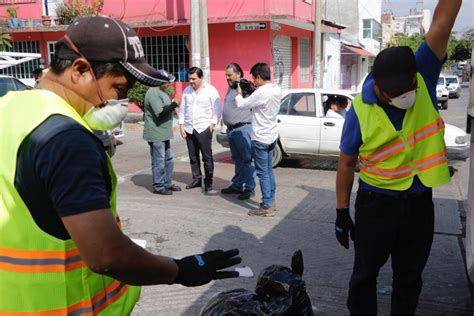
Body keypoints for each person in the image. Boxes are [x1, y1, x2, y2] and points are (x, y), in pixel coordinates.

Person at [0, 16, 241, 314]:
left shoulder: (10, 108)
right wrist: (180, 270)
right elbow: (106, 255)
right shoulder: (67, 140)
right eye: (118, 88)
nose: (120, 101)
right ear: (79, 70)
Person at [335, 1, 462, 314]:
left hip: (418, 205)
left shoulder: (424, 76)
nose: (402, 96)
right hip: (375, 205)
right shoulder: (360, 110)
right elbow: (347, 163)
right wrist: (341, 212)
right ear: (377, 87)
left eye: (406, 88)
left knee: (409, 279)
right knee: (364, 276)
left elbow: (441, 25)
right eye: (392, 91)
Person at [235, 63, 281, 217]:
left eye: (254, 78)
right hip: (272, 136)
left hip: (260, 137)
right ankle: (271, 200)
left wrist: (239, 92)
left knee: (262, 173)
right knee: (268, 170)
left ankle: (267, 205)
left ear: (259, 77)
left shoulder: (260, 93)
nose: (253, 81)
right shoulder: (277, 89)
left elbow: (241, 105)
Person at [179, 66, 222, 193]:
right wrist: (181, 125)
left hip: (204, 128)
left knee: (207, 157)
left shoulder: (211, 90)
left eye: (194, 79)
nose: (191, 81)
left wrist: (212, 124)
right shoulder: (187, 90)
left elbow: (217, 109)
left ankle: (208, 182)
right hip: (189, 128)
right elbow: (183, 108)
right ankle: (196, 179)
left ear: (201, 78)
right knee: (193, 156)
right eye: (189, 79)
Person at [143, 69, 182, 195]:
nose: (169, 84)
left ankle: (167, 183)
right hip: (156, 133)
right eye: (166, 82)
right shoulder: (153, 93)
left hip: (164, 132)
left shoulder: (162, 91)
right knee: (159, 160)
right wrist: (175, 104)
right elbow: (159, 113)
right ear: (159, 81)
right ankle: (159, 186)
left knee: (168, 159)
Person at [221, 62, 256, 200]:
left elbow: (251, 91)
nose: (227, 78)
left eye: (229, 75)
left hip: (243, 129)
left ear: (238, 73)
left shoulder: (243, 85)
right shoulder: (231, 87)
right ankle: (237, 185)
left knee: (247, 159)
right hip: (232, 130)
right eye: (226, 75)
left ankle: (249, 187)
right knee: (238, 160)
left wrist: (244, 85)